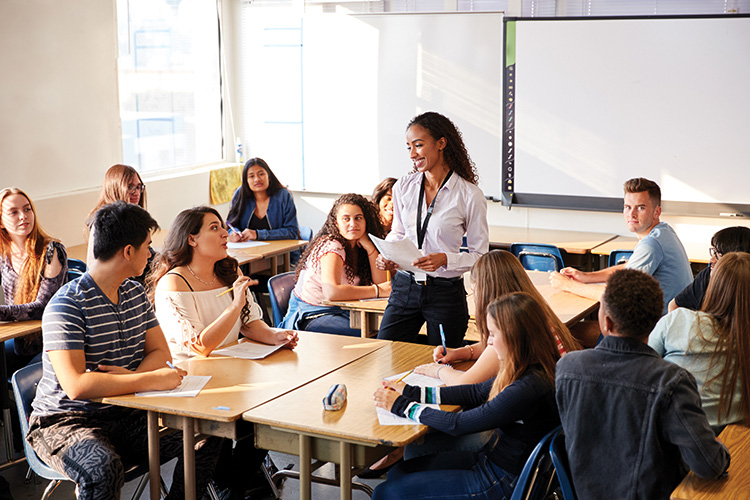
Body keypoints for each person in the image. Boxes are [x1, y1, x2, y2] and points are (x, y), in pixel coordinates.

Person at [27, 201, 220, 500]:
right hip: (65, 421)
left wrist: (131, 375)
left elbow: (161, 353)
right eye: (147, 245)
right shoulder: (67, 305)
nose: (151, 253)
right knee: (103, 468)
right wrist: (149, 379)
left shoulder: (133, 292)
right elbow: (78, 385)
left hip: (125, 411)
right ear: (128, 251)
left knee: (208, 435)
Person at [149, 206, 297, 498]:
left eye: (223, 227)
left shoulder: (229, 269)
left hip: (229, 370)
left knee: (270, 409)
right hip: (192, 381)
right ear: (192, 239)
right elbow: (200, 346)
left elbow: (250, 324)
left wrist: (277, 336)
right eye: (214, 228)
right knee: (218, 439)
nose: (225, 234)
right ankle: (226, 483)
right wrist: (234, 303)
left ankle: (234, 483)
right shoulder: (173, 282)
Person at [556, 269, 730, 499]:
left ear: (606, 322)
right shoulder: (672, 381)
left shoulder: (567, 368)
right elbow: (708, 465)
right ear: (653, 324)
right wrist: (720, 450)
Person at [371, 292, 561, 500]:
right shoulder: (528, 368)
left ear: (514, 337)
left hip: (500, 481)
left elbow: (457, 424)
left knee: (385, 492)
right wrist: (411, 392)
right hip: (492, 462)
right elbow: (475, 392)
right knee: (399, 472)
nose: (488, 342)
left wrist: (402, 406)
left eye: (493, 334)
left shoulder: (528, 387)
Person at [376, 111, 489, 347]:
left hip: (444, 293)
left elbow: (480, 256)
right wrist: (387, 255)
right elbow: (398, 233)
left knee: (444, 365)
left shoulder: (469, 195)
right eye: (409, 147)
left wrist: (445, 259)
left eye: (418, 145)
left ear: (441, 143)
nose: (412, 154)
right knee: (385, 355)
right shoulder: (403, 187)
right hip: (404, 288)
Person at [414, 249, 580, 386]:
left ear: (485, 291)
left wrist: (439, 371)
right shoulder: (529, 311)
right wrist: (461, 353)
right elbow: (490, 347)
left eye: (475, 289)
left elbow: (463, 383)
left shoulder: (509, 328)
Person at [550, 177, 692, 315]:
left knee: (574, 333)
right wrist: (586, 276)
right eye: (628, 207)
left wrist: (567, 285)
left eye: (640, 208)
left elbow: (616, 297)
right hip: (671, 324)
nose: (632, 214)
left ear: (657, 212)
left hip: (657, 332)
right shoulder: (664, 231)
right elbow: (630, 267)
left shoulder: (651, 245)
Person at [650, 252, 750, 431]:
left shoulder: (678, 320)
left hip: (674, 431)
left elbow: (641, 366)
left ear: (713, 286)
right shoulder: (744, 336)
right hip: (733, 437)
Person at [280, 193, 390, 336]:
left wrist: (370, 247)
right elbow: (332, 292)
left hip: (341, 310)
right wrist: (377, 290)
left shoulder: (360, 245)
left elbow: (382, 282)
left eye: (358, 218)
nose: (353, 224)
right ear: (336, 223)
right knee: (372, 333)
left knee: (386, 328)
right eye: (346, 219)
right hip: (312, 315)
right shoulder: (332, 245)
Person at [0, 187, 67, 373]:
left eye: (27, 209)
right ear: (1, 222)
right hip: (20, 343)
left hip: (52, 346)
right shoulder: (4, 255)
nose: (23, 216)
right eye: (14, 212)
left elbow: (42, 308)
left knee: (20, 377)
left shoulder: (51, 251)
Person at [85, 164, 153, 284]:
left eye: (138, 187)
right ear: (115, 188)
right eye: (130, 187)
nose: (136, 192)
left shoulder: (131, 218)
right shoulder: (105, 222)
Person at [226, 157, 300, 264]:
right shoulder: (240, 194)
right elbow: (231, 225)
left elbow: (292, 232)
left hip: (281, 258)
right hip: (248, 257)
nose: (257, 179)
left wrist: (257, 234)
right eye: (251, 176)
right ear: (246, 181)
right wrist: (233, 234)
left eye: (261, 174)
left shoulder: (283, 195)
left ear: (269, 176)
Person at [668, 226, 750, 312]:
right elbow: (674, 305)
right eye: (714, 252)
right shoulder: (707, 275)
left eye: (719, 255)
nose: (712, 260)